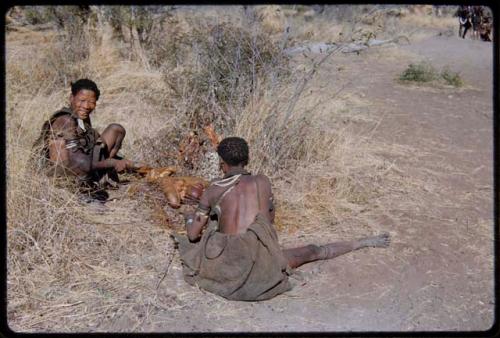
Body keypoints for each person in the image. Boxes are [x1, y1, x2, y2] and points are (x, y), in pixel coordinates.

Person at [174, 137, 390, 301]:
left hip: (229, 261)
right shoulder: (263, 182)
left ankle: (362, 243)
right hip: (262, 258)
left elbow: (193, 235)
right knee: (314, 251)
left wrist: (190, 217)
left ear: (222, 163)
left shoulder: (214, 189)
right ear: (247, 159)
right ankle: (362, 242)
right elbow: (269, 222)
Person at [33, 79, 137, 200]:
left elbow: (90, 146)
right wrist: (113, 163)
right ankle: (80, 190)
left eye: (91, 102)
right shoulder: (65, 121)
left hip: (83, 163)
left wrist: (126, 163)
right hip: (61, 177)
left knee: (116, 129)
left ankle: (100, 177)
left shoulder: (81, 119)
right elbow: (81, 163)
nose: (87, 106)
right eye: (82, 101)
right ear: (71, 98)